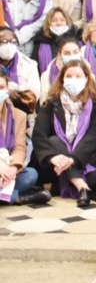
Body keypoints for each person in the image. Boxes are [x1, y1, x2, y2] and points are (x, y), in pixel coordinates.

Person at [32, 60, 96, 206]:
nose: (73, 80)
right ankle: (81, 187)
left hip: (80, 159)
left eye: (78, 76)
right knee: (55, 141)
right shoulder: (50, 103)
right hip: (54, 163)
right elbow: (39, 134)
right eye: (69, 76)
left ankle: (52, 188)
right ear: (62, 78)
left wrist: (72, 159)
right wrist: (53, 156)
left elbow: (92, 137)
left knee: (95, 178)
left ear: (86, 79)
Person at [0, 72, 50, 205]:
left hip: (8, 168)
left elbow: (20, 148)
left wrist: (12, 169)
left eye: (1, 87)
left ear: (7, 89)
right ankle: (16, 198)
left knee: (31, 175)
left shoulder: (18, 115)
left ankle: (5, 194)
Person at [33, 8, 80, 75]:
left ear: (67, 22)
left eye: (62, 20)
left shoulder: (76, 40)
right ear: (48, 23)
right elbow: (35, 67)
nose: (58, 23)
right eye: (54, 20)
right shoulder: (40, 42)